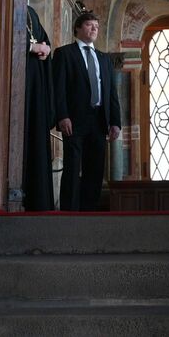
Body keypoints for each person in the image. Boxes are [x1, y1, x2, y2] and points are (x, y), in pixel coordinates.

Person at [52, 11, 121, 211]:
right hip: (74, 119)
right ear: (78, 28)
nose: (94, 29)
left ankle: (89, 211)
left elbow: (111, 93)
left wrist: (115, 122)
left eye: (96, 27)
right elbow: (59, 89)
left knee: (95, 168)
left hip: (99, 120)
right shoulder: (65, 54)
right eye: (90, 25)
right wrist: (62, 115)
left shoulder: (104, 59)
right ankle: (69, 212)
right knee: (73, 167)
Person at [22, 5, 55, 211]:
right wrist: (30, 48)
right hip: (17, 76)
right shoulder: (7, 2)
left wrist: (46, 49)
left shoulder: (30, 12)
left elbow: (43, 38)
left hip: (35, 80)